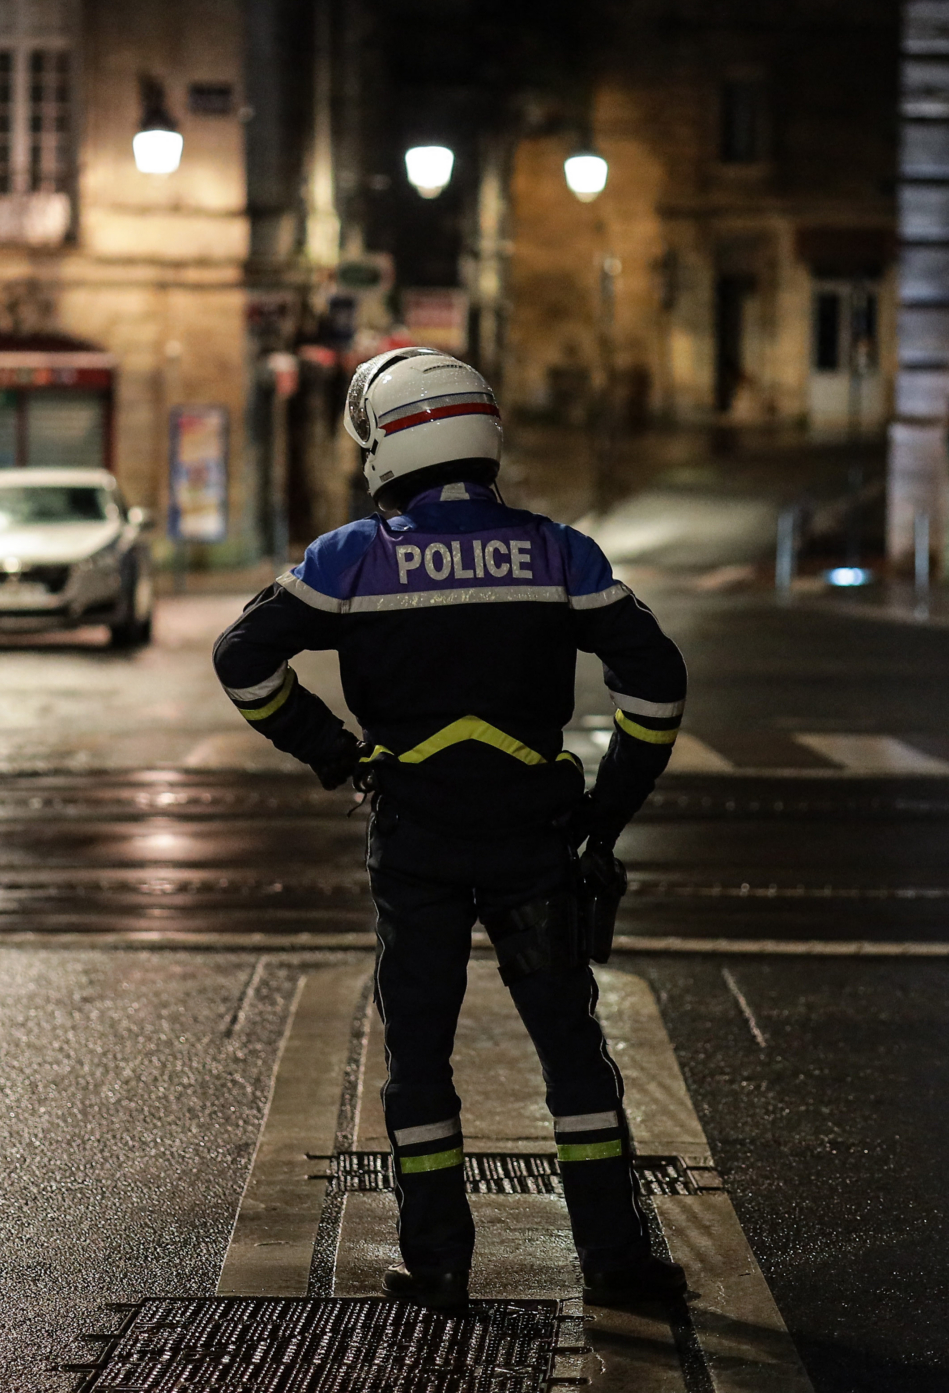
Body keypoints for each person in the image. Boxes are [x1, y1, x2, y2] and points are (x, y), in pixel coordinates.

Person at [213, 347, 689, 1315]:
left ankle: (437, 1263)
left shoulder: (351, 558)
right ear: (484, 438)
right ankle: (612, 1258)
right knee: (570, 1052)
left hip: (416, 843)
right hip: (534, 843)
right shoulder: (559, 552)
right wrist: (605, 811)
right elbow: (657, 686)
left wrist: (333, 753)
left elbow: (242, 661)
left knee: (418, 1057)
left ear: (387, 446)